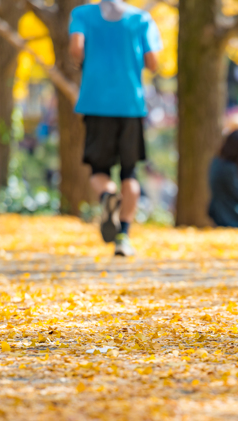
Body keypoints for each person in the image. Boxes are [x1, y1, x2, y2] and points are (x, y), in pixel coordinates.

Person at [69, 0, 162, 257]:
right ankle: (124, 237)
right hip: (131, 104)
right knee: (130, 173)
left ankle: (108, 195)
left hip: (95, 102)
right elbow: (153, 62)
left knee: (99, 170)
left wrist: (90, 63)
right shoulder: (141, 19)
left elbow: (76, 49)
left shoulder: (82, 14)